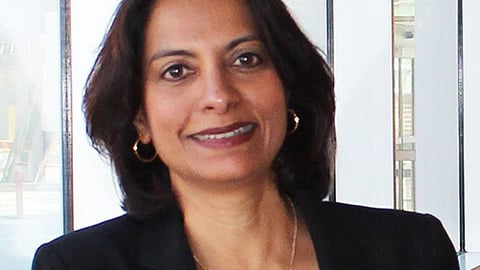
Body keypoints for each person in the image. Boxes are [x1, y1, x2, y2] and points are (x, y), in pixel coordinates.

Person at [32, 0, 459, 269]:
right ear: (139, 119)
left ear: (288, 87)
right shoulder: (76, 264)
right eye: (177, 71)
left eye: (246, 59)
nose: (218, 96)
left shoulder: (410, 251)